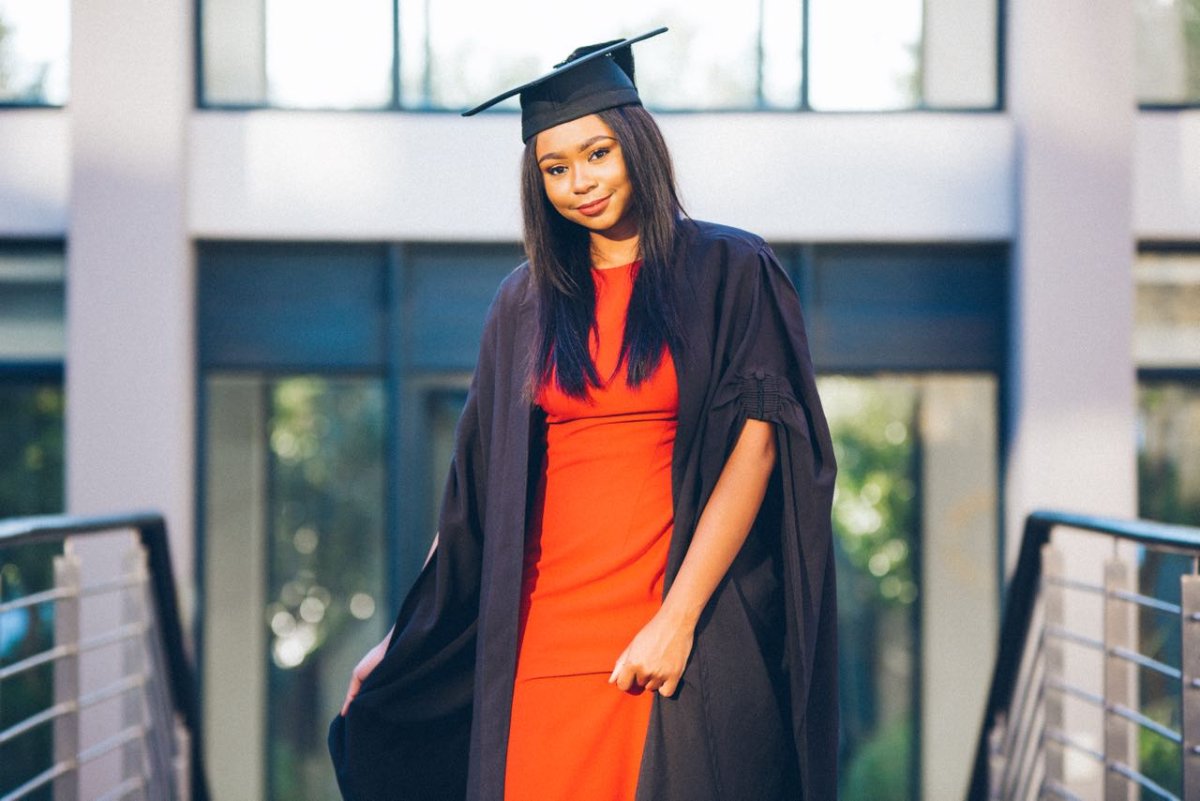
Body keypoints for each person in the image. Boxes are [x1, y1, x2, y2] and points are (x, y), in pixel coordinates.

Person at [328, 27, 838, 801]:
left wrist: (678, 618)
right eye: (555, 167)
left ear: (639, 144)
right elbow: (478, 492)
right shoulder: (525, 303)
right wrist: (406, 637)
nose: (580, 183)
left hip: (672, 636)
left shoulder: (731, 272)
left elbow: (758, 451)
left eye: (597, 154)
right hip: (539, 640)